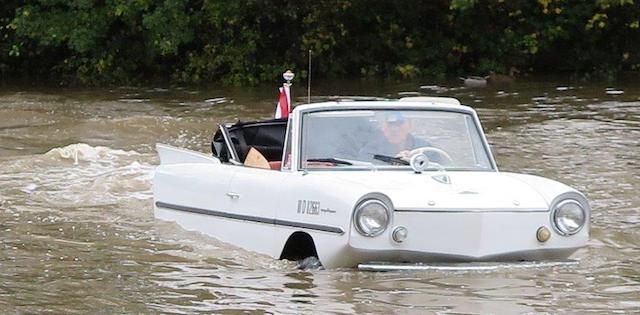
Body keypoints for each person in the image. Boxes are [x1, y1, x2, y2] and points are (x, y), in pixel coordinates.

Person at [357, 112, 431, 163]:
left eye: (399, 124)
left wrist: (416, 160)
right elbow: (366, 170)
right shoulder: (370, 150)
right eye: (390, 125)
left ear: (409, 127)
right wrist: (396, 161)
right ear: (383, 128)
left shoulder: (425, 148)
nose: (394, 129)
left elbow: (438, 167)